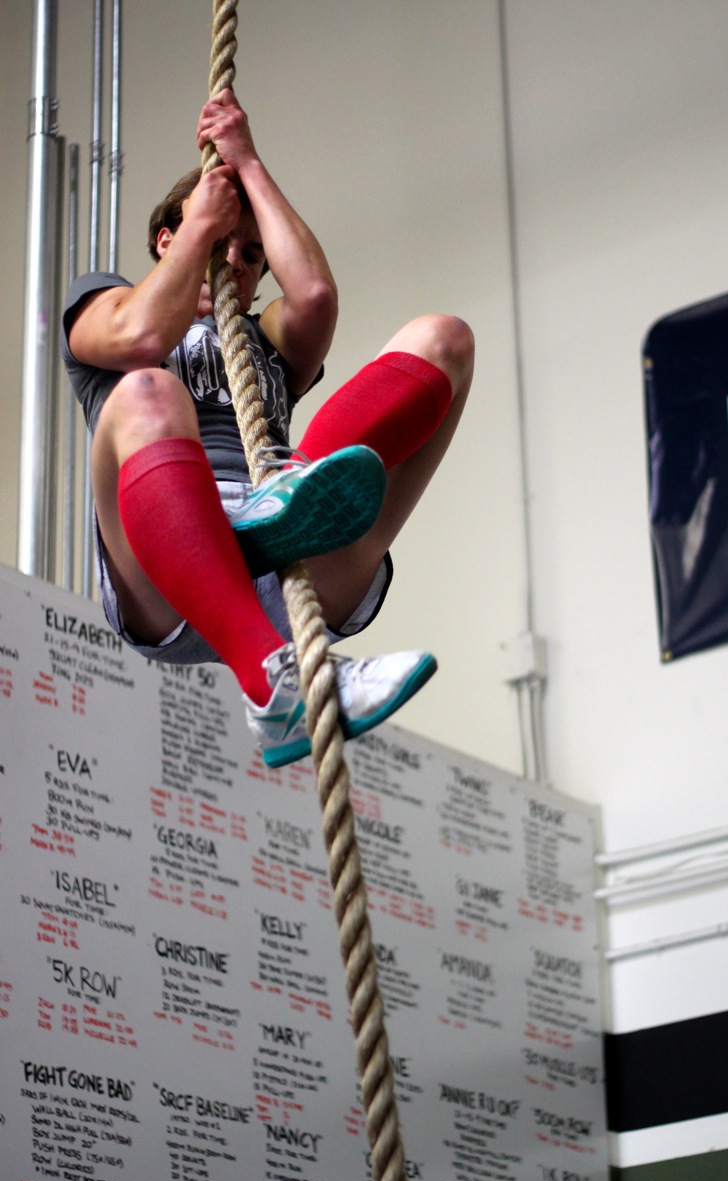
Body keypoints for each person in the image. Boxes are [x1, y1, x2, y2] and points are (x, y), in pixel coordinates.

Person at [62, 89, 474, 768]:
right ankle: (272, 678)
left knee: (445, 340)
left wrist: (248, 163)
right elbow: (140, 332)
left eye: (250, 256)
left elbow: (313, 295)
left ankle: (290, 508)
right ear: (167, 239)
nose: (233, 264)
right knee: (147, 390)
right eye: (218, 244)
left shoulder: (271, 340)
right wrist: (204, 227)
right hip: (167, 574)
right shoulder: (105, 302)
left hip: (289, 569)